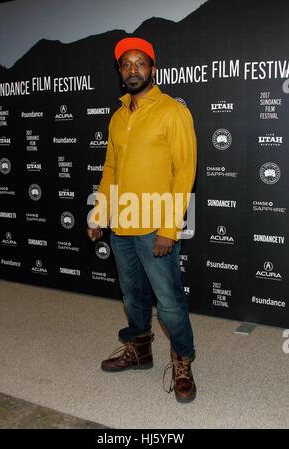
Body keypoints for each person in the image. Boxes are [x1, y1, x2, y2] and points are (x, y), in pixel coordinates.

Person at [87, 37, 197, 402]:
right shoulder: (118, 117)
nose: (133, 70)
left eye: (140, 63)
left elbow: (184, 172)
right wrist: (99, 213)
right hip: (122, 224)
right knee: (132, 296)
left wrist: (169, 227)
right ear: (120, 72)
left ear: (153, 69)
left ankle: (182, 360)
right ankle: (140, 350)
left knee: (168, 301)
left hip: (155, 226)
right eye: (126, 64)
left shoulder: (173, 111)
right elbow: (111, 169)